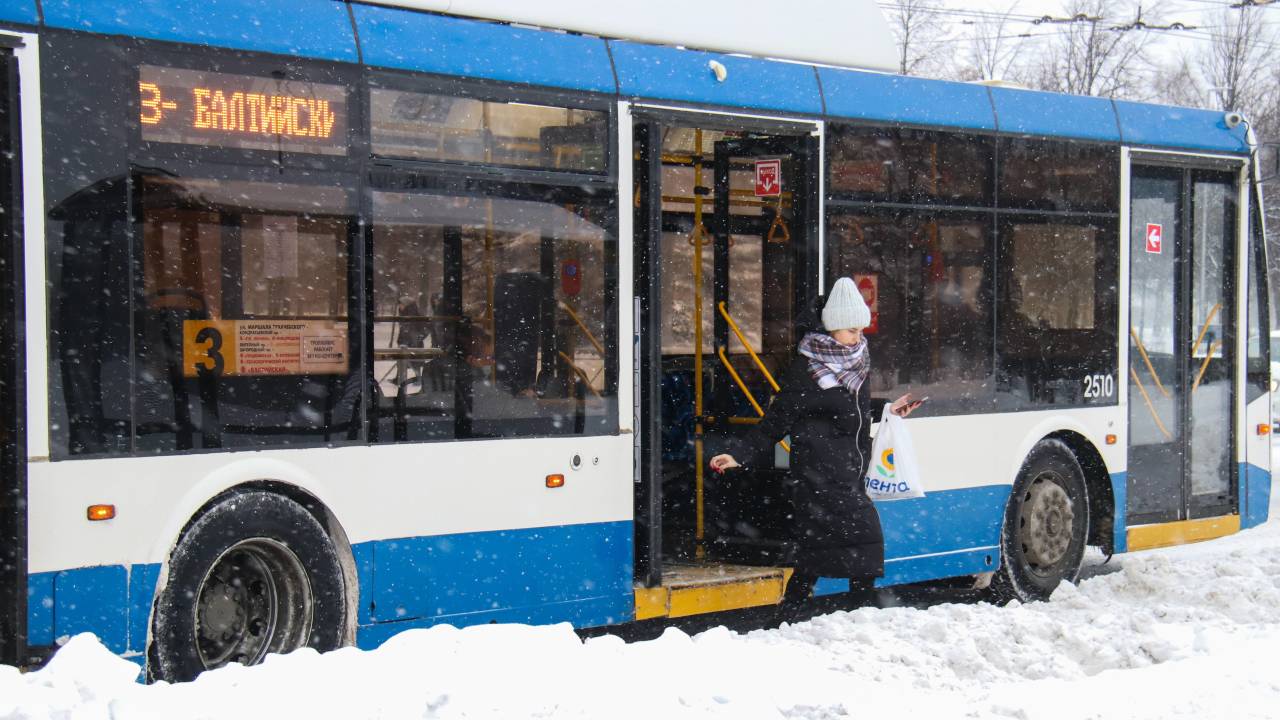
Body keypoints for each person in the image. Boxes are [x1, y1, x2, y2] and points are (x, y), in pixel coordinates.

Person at [708, 276, 919, 601]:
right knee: (862, 542)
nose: (857, 338)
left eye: (861, 330)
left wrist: (889, 408)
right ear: (831, 328)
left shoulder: (856, 362)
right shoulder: (807, 371)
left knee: (821, 554)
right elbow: (777, 420)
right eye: (851, 331)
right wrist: (740, 454)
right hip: (818, 478)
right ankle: (855, 610)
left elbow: (852, 410)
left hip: (848, 475)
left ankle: (799, 611)